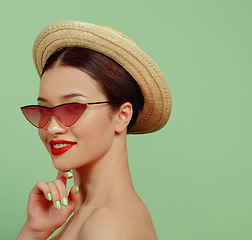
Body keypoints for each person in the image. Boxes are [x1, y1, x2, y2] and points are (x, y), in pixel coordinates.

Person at [16, 20, 172, 240]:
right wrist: (34, 232)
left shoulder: (107, 224)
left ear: (122, 116)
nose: (52, 127)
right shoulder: (86, 214)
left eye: (72, 108)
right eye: (43, 110)